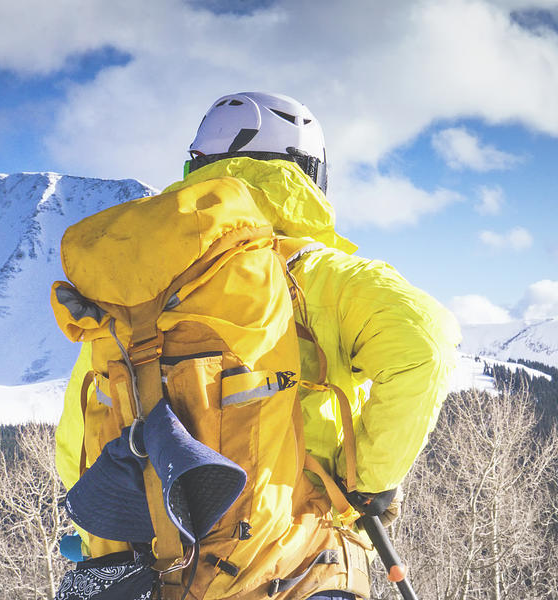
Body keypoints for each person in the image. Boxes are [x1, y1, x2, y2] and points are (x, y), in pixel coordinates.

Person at [55, 91, 460, 599]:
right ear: (308, 174)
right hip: (295, 561)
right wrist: (370, 484)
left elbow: (78, 437)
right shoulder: (315, 275)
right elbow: (425, 346)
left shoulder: (135, 302)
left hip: (162, 573)